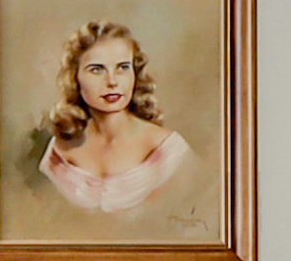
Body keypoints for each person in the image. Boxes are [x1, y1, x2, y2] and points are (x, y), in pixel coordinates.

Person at [37, 21, 191, 214]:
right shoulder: (59, 151)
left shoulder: (168, 150)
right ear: (74, 78)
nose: (112, 81)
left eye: (123, 67)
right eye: (97, 69)